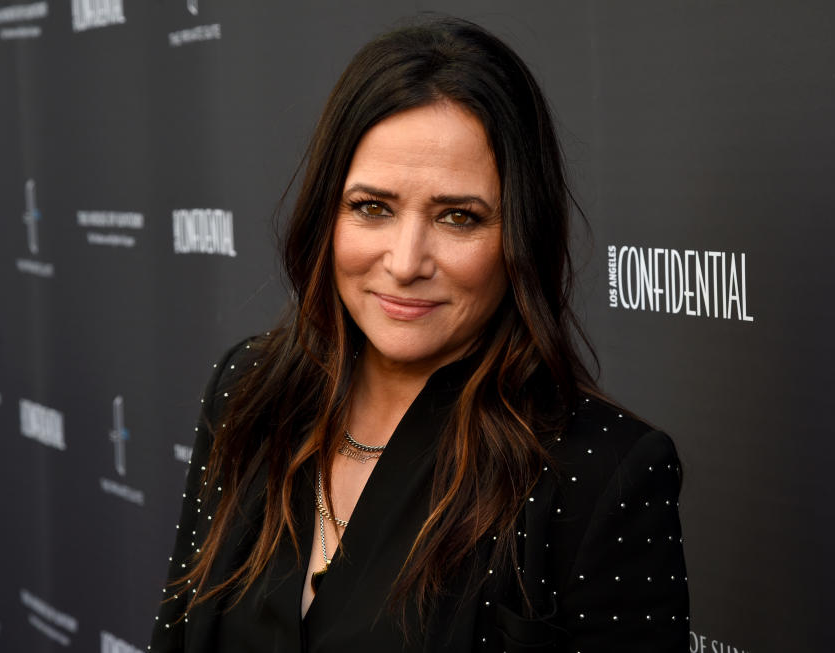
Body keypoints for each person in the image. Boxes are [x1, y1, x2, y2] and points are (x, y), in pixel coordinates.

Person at [148, 14, 689, 653]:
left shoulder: (598, 474)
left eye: (459, 217)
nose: (406, 262)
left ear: (520, 236)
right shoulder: (249, 391)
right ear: (328, 214)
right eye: (372, 208)